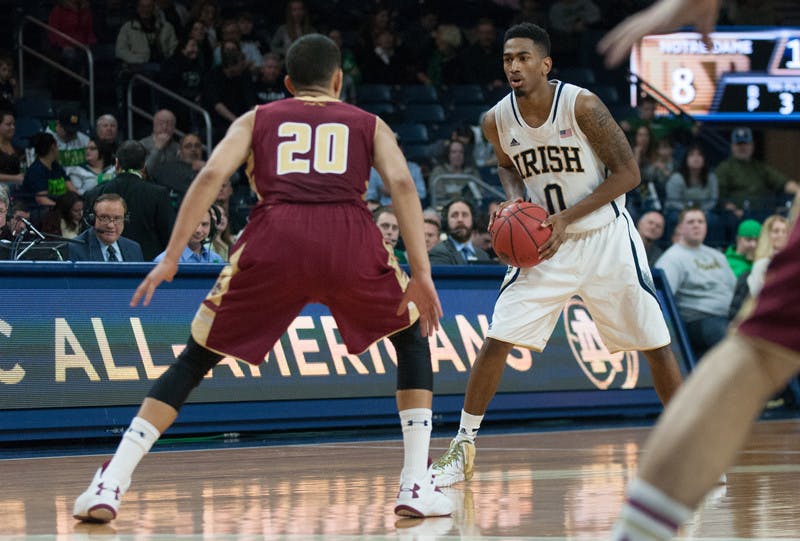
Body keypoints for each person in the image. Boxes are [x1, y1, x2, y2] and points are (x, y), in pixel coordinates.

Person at [72, 33, 452, 523]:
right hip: (349, 236)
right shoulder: (368, 122)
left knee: (196, 358)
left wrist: (170, 256)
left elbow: (209, 177)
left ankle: (112, 481)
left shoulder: (256, 118)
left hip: (277, 236)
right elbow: (400, 183)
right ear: (339, 80)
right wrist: (421, 272)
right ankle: (415, 484)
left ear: (288, 83)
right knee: (411, 334)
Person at [431, 23, 685, 487]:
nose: (514, 66)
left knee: (656, 343)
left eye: (524, 58)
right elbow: (507, 166)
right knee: (498, 337)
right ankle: (461, 447)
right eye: (508, 59)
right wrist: (512, 201)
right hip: (543, 245)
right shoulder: (495, 120)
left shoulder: (582, 105)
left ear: (545, 64)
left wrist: (567, 216)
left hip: (604, 236)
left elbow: (628, 174)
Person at [655, 208, 735, 359]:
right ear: (680, 228)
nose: (696, 225)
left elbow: (733, 287)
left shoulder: (717, 255)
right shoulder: (671, 258)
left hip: (729, 316)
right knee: (731, 339)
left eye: (701, 221)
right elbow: (663, 297)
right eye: (690, 222)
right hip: (698, 320)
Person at [84, 140, 175, 260]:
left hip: (103, 270)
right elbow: (170, 238)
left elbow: (85, 240)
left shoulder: (94, 193)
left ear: (116, 164)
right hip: (148, 270)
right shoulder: (159, 194)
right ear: (143, 166)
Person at [69, 193, 144, 262]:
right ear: (93, 219)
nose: (110, 225)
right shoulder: (75, 249)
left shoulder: (134, 249)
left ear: (125, 220)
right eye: (104, 218)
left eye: (117, 218)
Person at [428, 198, 491, 265]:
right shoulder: (438, 253)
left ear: (473, 220)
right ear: (446, 221)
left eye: (465, 215)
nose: (460, 220)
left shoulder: (483, 255)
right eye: (454, 215)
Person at [153, 206, 222, 263]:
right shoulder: (163, 261)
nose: (198, 230)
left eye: (204, 224)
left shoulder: (216, 260)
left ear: (211, 227)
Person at [139, 109, 180, 175]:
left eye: (169, 124)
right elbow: (143, 172)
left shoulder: (178, 148)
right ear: (154, 126)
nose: (165, 127)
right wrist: (157, 149)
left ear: (174, 128)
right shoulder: (141, 145)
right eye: (161, 123)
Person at [0, 110, 23, 187]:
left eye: (13, 124)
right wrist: (15, 178)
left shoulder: (17, 148)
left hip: (16, 190)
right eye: (8, 124)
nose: (13, 127)